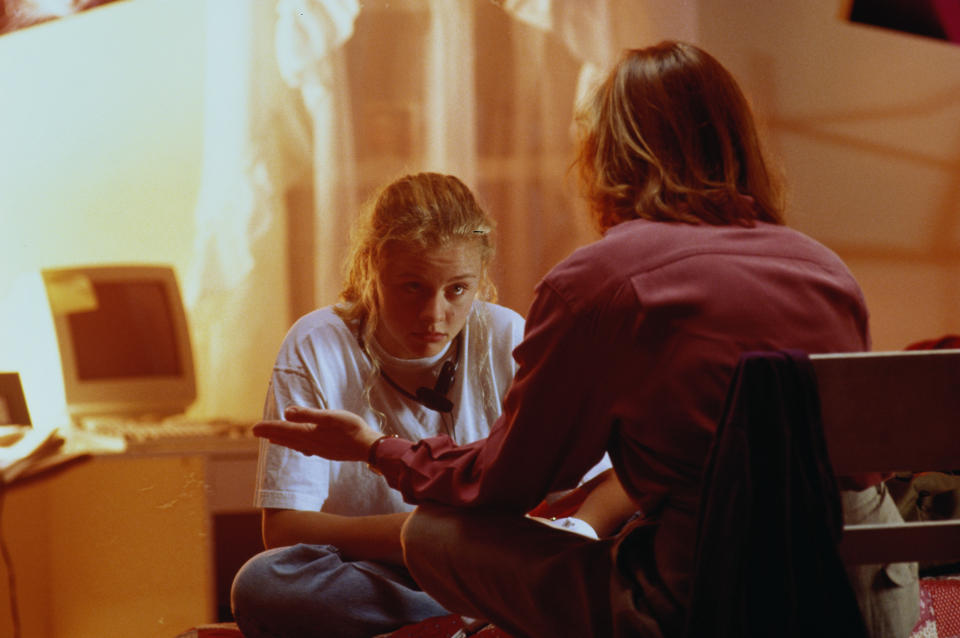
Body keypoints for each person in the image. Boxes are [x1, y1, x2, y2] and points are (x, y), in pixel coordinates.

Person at [253, 43, 917, 637]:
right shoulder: (826, 268)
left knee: (428, 531)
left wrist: (381, 451)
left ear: (607, 154)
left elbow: (508, 483)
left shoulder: (600, 282)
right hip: (868, 596)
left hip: (707, 599)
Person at [230, 172, 626, 638]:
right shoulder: (317, 344)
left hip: (492, 570)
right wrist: (441, 539)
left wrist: (577, 529)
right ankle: (475, 622)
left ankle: (464, 620)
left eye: (457, 289)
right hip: (379, 572)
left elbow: (612, 483)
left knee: (625, 551)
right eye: (412, 287)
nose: (434, 315)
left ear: (480, 279)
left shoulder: (506, 335)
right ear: (370, 268)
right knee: (264, 584)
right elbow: (284, 530)